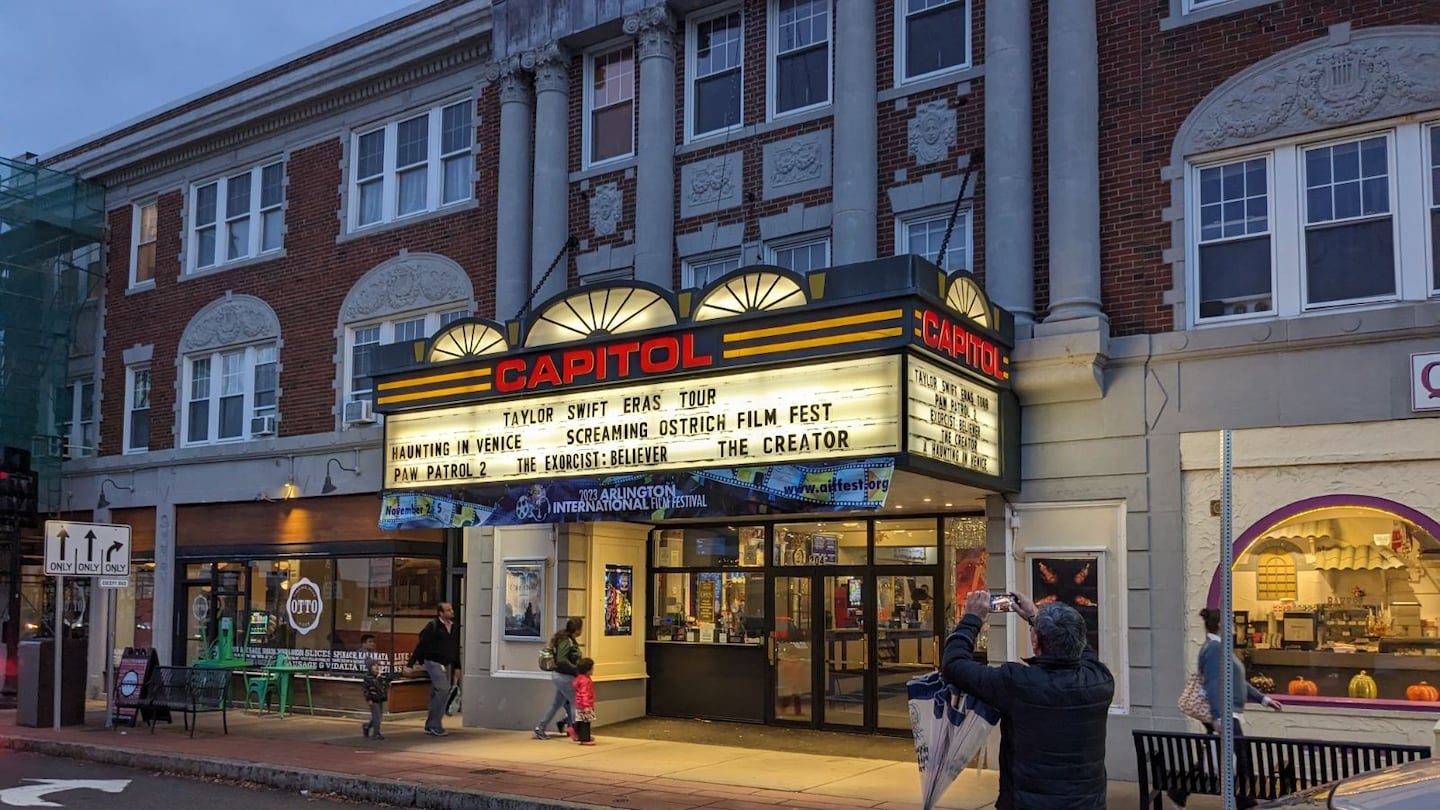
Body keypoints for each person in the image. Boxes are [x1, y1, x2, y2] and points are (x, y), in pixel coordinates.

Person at [942, 590, 1114, 810]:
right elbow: (1083, 650)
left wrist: (972, 619)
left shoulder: (1017, 683)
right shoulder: (1100, 680)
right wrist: (1035, 616)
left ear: (1035, 642)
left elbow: (954, 665)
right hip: (1087, 803)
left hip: (1026, 803)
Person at [1168, 608, 1283, 809]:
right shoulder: (1214, 649)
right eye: (1229, 621)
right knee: (1241, 758)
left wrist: (1263, 699)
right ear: (1220, 624)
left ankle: (1179, 791)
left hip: (1228, 713)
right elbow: (1213, 683)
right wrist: (1218, 716)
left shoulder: (1219, 647)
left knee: (1215, 759)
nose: (1232, 625)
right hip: (1226, 713)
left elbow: (1237, 680)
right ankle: (1245, 802)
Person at [407, 602, 460, 737]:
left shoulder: (454, 627)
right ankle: (435, 725)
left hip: (446, 663)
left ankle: (430, 724)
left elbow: (455, 648)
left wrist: (457, 666)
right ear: (441, 613)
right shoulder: (433, 627)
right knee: (443, 690)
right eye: (448, 610)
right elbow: (422, 645)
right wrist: (410, 664)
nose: (451, 612)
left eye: (451, 609)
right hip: (433, 661)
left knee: (436, 693)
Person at [533, 617, 583, 739]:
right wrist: (576, 670)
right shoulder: (567, 641)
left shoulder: (567, 639)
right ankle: (577, 731)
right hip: (565, 676)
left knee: (557, 703)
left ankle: (540, 727)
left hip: (561, 676)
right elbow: (562, 660)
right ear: (577, 630)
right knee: (575, 701)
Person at [361, 654, 389, 740]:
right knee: (377, 716)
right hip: (373, 699)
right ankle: (376, 733)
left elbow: (387, 682)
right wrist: (369, 698)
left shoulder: (380, 677)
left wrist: (383, 678)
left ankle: (367, 726)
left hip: (380, 698)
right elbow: (366, 690)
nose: (376, 667)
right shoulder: (368, 678)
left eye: (377, 665)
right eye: (374, 665)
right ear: (369, 668)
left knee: (378, 716)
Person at [571, 657, 596, 746]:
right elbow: (585, 693)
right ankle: (585, 739)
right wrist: (587, 706)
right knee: (586, 723)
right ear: (588, 670)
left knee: (581, 720)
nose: (593, 670)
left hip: (579, 704)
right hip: (585, 704)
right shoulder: (586, 681)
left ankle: (575, 731)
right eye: (592, 668)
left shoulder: (579, 679)